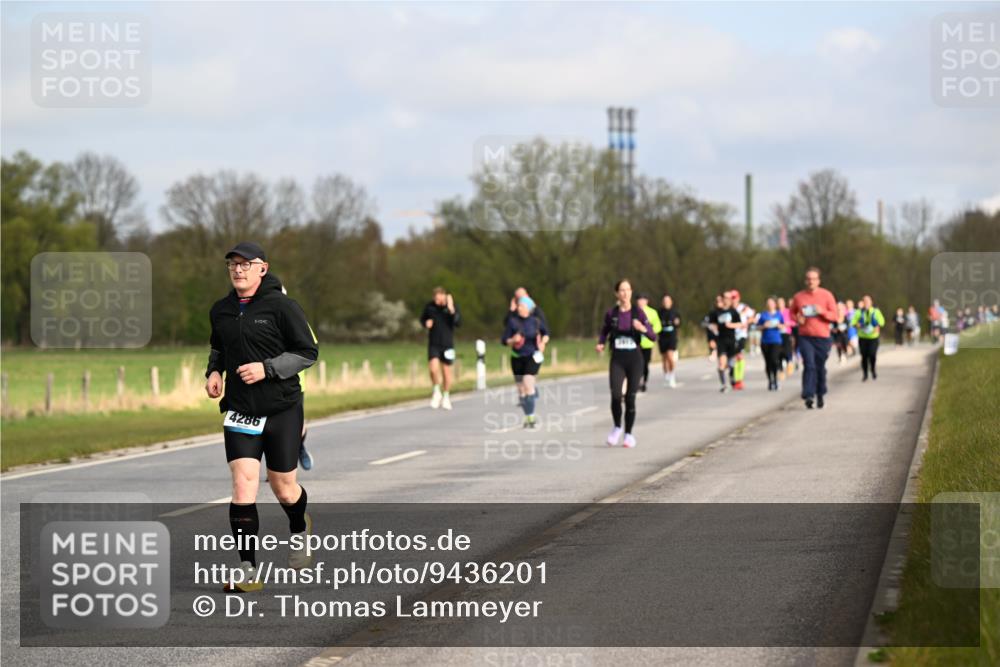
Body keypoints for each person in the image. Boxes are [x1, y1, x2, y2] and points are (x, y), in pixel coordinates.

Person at [205, 241, 319, 592]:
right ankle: (247, 570)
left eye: (246, 264)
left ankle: (299, 528)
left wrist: (267, 368)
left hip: (282, 408)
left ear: (262, 269)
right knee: (243, 485)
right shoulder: (221, 310)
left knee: (284, 488)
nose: (238, 270)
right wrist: (214, 371)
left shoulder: (283, 307)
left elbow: (307, 352)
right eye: (233, 265)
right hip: (240, 410)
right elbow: (218, 346)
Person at [597, 279, 656, 448]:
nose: (625, 293)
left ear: (631, 292)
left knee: (630, 397)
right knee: (616, 395)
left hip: (635, 359)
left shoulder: (638, 313)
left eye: (628, 289)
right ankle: (617, 427)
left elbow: (652, 336)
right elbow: (604, 331)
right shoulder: (611, 314)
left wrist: (642, 328)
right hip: (617, 359)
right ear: (616, 293)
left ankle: (629, 434)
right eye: (622, 290)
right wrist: (601, 343)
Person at [789, 267, 840, 409]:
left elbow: (835, 316)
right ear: (805, 281)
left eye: (814, 279)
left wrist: (822, 311)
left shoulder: (827, 295)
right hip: (805, 336)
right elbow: (791, 313)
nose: (811, 281)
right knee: (809, 364)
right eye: (809, 279)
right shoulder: (799, 297)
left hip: (822, 337)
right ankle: (808, 395)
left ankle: (820, 393)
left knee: (820, 367)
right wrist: (797, 319)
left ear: (818, 281)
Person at [279, 283, 314, 471]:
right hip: (266, 383)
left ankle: (299, 446)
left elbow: (310, 348)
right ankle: (275, 469)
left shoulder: (294, 317)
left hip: (295, 383)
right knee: (269, 428)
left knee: (294, 428)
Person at [502, 296, 550, 428]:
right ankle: (527, 415)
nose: (519, 308)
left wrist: (543, 342)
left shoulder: (536, 321)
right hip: (517, 357)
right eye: (519, 306)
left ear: (528, 308)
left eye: (522, 306)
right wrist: (513, 340)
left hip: (532, 356)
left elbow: (546, 334)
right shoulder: (512, 322)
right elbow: (504, 340)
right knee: (521, 390)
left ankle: (531, 416)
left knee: (528, 384)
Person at [421, 287, 461, 410]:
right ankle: (436, 391)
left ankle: (446, 396)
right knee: (433, 369)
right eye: (436, 299)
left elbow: (458, 322)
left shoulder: (451, 307)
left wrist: (451, 308)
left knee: (446, 371)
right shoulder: (430, 307)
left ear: (445, 296)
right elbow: (422, 319)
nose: (438, 301)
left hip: (448, 344)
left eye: (440, 299)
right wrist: (426, 323)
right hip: (434, 343)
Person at [709, 291, 743, 393]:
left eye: (729, 298)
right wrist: (712, 335)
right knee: (721, 364)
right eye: (725, 298)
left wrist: (731, 325)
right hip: (721, 340)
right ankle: (724, 385)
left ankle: (732, 377)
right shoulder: (716, 312)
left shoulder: (733, 312)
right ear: (722, 299)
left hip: (731, 340)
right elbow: (711, 325)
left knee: (731, 364)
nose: (727, 300)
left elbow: (740, 324)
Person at [851, 295, 885, 381]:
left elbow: (882, 322)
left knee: (872, 354)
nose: (866, 303)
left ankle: (873, 369)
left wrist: (878, 325)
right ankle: (865, 374)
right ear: (862, 303)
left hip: (873, 337)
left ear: (871, 302)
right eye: (864, 301)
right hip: (863, 338)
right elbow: (852, 322)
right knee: (864, 356)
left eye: (868, 301)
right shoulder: (858, 312)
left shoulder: (876, 311)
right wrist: (857, 325)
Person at [755, 297, 785, 391]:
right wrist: (764, 326)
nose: (770, 305)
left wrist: (778, 325)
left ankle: (775, 380)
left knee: (774, 360)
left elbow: (783, 326)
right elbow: (757, 327)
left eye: (771, 303)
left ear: (775, 304)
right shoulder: (763, 315)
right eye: (768, 303)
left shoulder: (779, 314)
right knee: (768, 362)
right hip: (765, 341)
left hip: (776, 340)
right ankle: (770, 381)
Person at [636, 293, 662, 392]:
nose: (641, 302)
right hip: (636, 343)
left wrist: (650, 332)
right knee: (637, 363)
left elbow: (658, 325)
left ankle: (644, 381)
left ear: (647, 301)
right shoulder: (633, 311)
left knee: (645, 364)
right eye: (639, 300)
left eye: (643, 300)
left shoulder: (652, 312)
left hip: (648, 343)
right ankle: (637, 381)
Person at [729, 290, 755, 389]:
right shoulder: (728, 309)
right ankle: (733, 376)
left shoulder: (743, 307)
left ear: (738, 298)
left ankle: (739, 379)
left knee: (739, 356)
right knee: (731, 359)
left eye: (734, 298)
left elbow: (752, 316)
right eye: (731, 298)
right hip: (730, 336)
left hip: (741, 335)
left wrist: (746, 323)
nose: (733, 300)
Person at [657, 294, 681, 388]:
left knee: (670, 356)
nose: (666, 303)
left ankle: (672, 375)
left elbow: (679, 323)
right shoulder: (659, 312)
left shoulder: (675, 312)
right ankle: (666, 373)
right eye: (664, 301)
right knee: (664, 358)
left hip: (672, 336)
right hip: (662, 336)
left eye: (668, 301)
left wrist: (677, 323)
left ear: (671, 302)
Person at [777, 296, 794, 379]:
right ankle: (781, 370)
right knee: (778, 353)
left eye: (781, 302)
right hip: (777, 334)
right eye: (778, 303)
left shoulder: (788, 312)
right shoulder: (776, 313)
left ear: (784, 303)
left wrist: (788, 323)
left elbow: (794, 322)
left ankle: (789, 363)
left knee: (787, 350)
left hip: (786, 333)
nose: (780, 304)